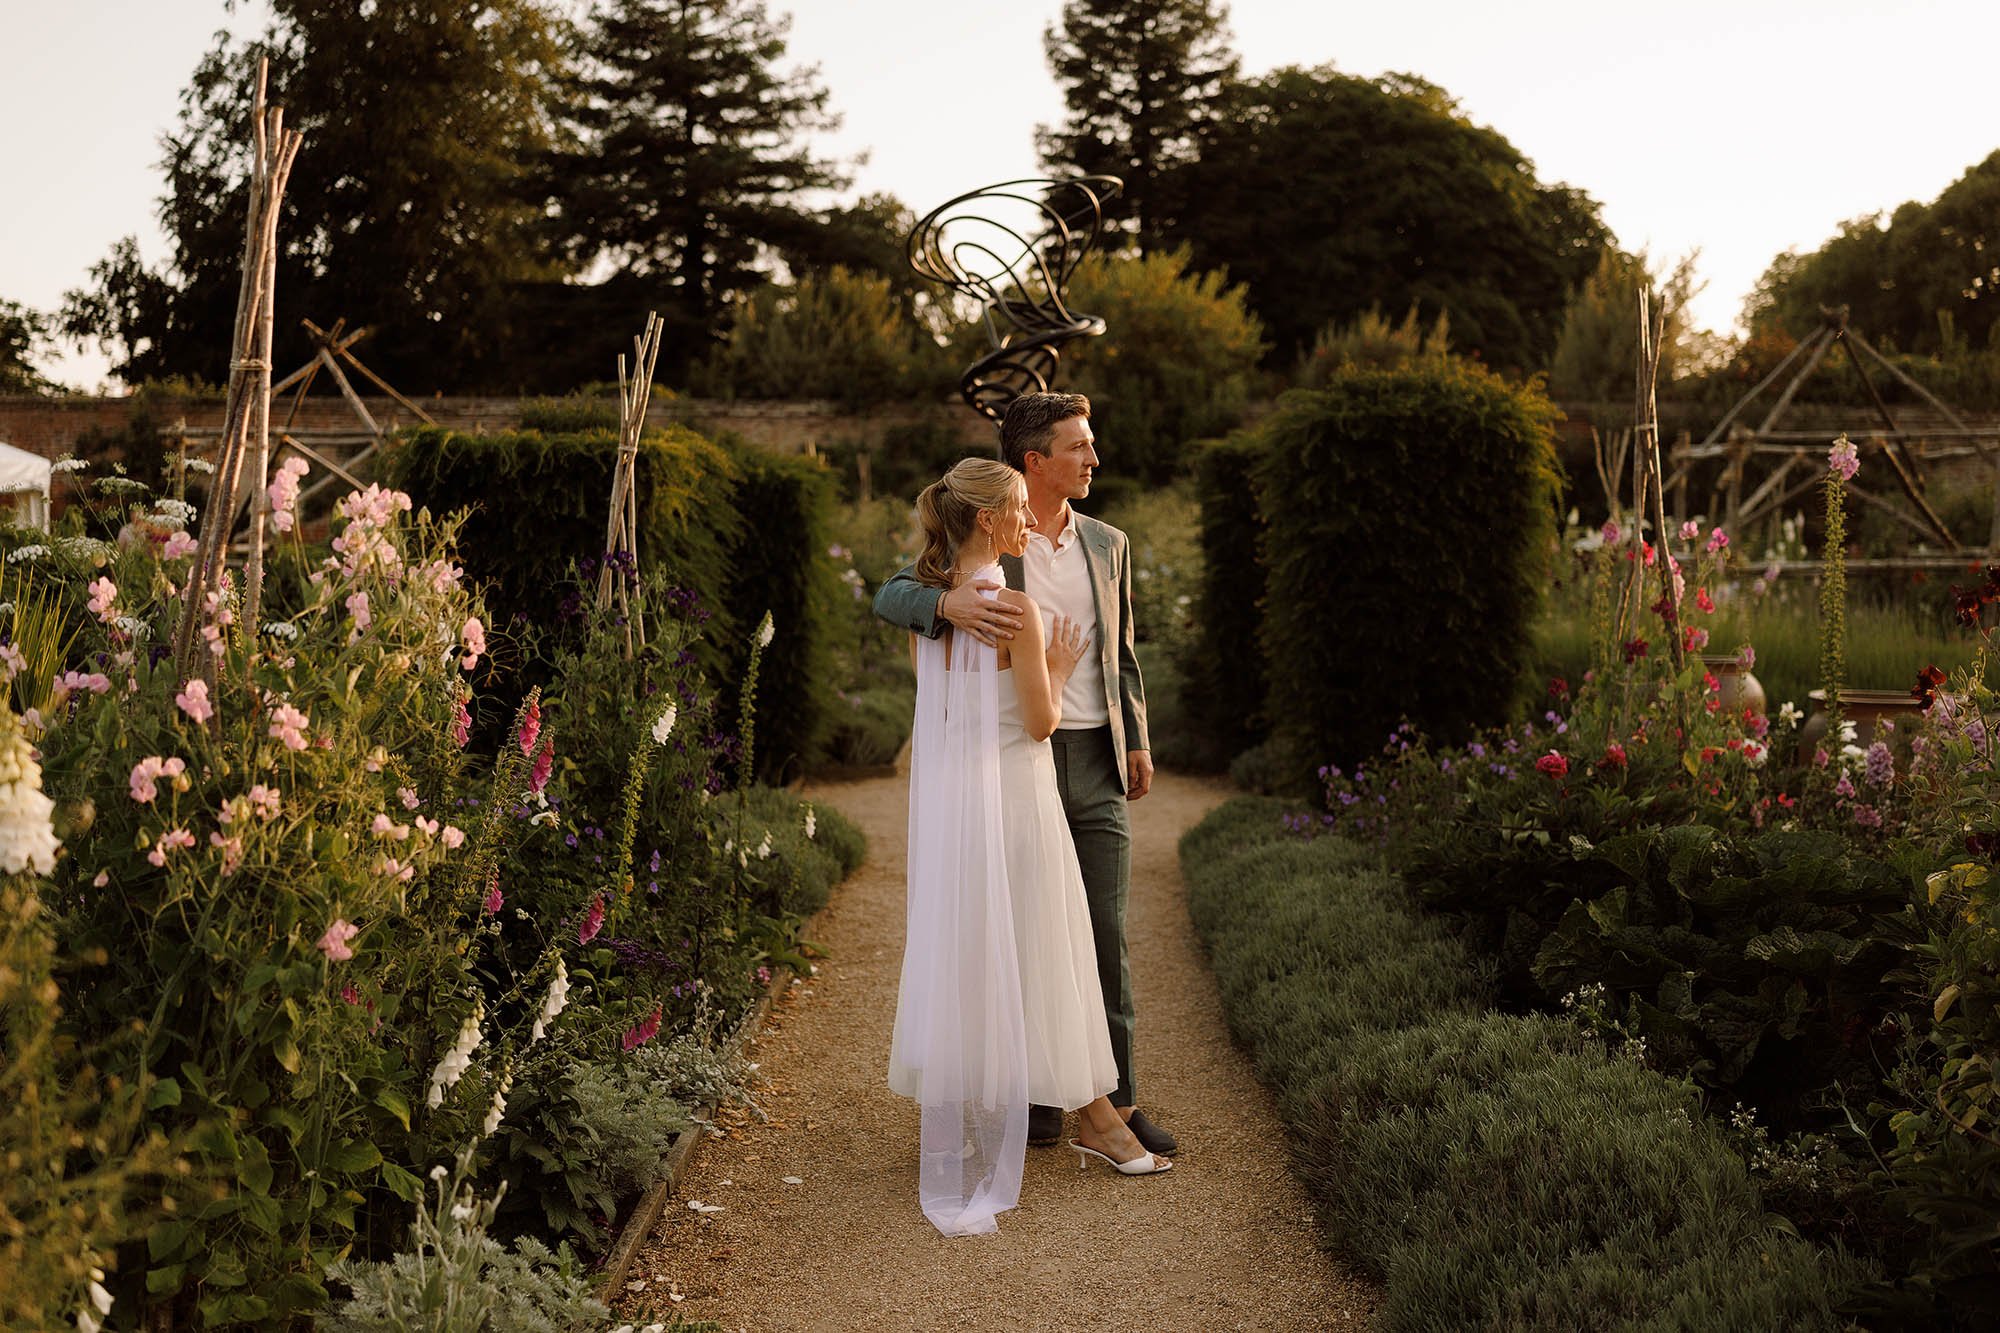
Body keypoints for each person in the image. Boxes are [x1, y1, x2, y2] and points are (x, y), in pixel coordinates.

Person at [875, 393, 1175, 1158]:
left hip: (1095, 756)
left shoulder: (1108, 543)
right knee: (1026, 926)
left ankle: (1118, 1098)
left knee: (1096, 933)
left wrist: (1135, 737)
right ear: (1032, 461)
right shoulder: (987, 551)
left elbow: (1124, 652)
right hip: (1024, 757)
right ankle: (1039, 1097)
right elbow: (891, 595)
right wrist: (944, 601)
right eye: (1078, 447)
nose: (1093, 459)